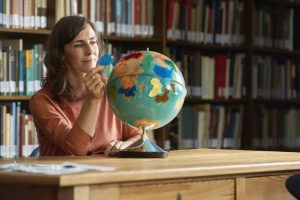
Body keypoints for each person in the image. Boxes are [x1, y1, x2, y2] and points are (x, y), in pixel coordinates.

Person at [29, 15, 142, 156]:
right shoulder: (42, 101)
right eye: (79, 44)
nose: (90, 51)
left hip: (106, 175)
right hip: (65, 176)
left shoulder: (113, 88)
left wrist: (124, 146)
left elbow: (140, 138)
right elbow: (76, 149)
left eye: (93, 42)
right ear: (60, 54)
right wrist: (92, 100)